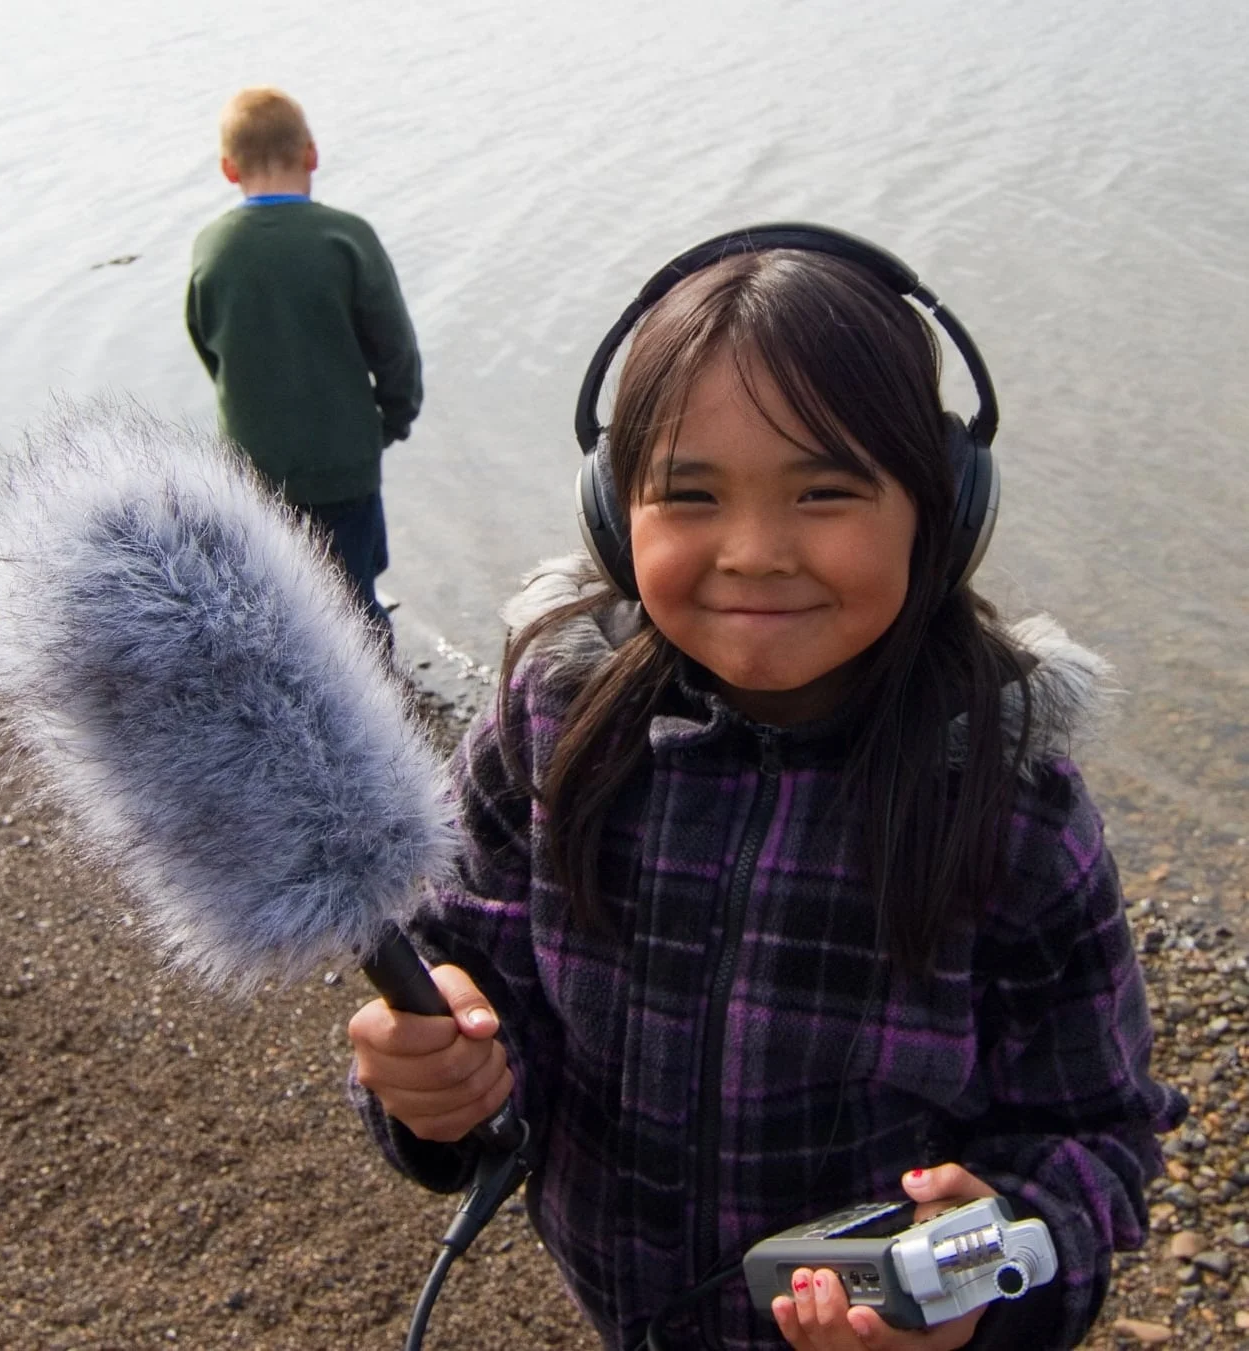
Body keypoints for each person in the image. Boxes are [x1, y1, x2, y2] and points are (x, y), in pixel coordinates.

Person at [345, 228, 1186, 1351]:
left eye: (824, 490)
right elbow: (478, 987)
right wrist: (436, 1082)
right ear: (612, 510)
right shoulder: (555, 725)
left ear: (942, 511)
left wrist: (992, 1275)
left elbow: (1099, 1137)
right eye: (688, 495)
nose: (752, 550)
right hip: (624, 1307)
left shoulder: (1007, 806)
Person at [186, 86, 422, 641]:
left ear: (227, 168)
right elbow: (395, 347)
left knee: (281, 595)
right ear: (311, 154)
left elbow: (208, 348)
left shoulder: (212, 248)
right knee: (356, 597)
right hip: (346, 459)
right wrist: (394, 418)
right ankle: (376, 714)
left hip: (255, 468)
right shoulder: (346, 237)